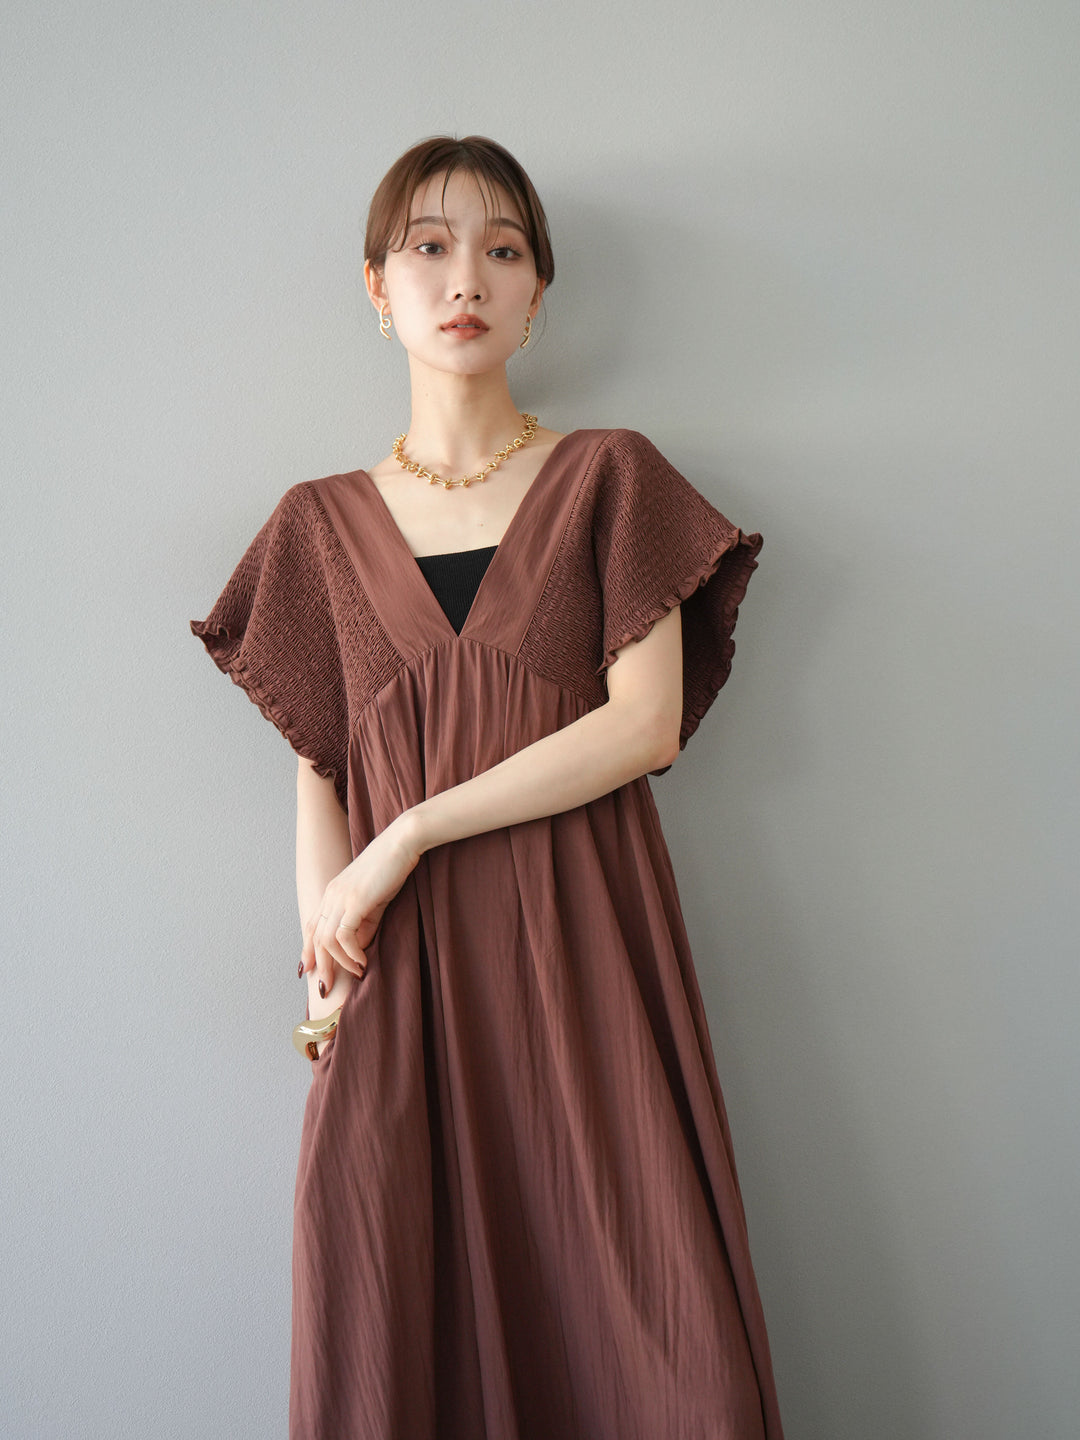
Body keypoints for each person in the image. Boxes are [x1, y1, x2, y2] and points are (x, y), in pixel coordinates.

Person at [190, 134, 784, 1440]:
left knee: (665, 1354)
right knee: (401, 1337)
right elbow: (319, 762)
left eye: (503, 250)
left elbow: (646, 726)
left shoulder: (609, 479)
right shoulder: (316, 529)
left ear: (537, 293)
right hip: (397, 984)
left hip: (585, 957)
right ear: (377, 286)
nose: (467, 277)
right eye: (430, 246)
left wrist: (407, 834)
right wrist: (326, 981)